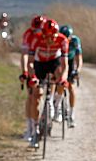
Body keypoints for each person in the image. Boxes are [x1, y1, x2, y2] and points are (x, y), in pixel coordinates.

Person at [27, 19, 69, 147]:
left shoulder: (62, 40)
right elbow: (30, 62)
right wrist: (32, 76)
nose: (51, 39)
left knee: (59, 75)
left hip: (54, 61)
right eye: (48, 37)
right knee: (37, 95)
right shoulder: (37, 39)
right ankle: (34, 130)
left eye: (53, 36)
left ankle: (56, 104)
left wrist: (63, 79)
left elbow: (65, 64)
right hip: (40, 63)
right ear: (43, 34)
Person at [59, 25, 82, 128]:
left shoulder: (75, 41)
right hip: (60, 61)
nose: (66, 40)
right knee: (57, 84)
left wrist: (77, 71)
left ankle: (71, 114)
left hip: (71, 61)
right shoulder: (58, 40)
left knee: (71, 87)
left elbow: (79, 58)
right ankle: (57, 105)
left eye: (67, 37)